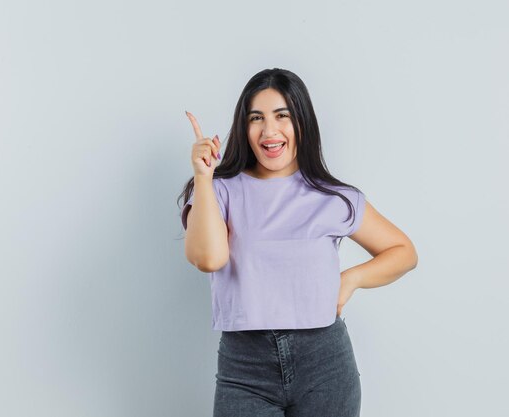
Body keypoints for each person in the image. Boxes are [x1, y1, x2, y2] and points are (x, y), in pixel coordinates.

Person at [178, 68, 418, 416]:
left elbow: (403, 252)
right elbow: (208, 259)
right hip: (245, 368)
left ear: (302, 123)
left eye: (282, 116)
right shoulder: (219, 190)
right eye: (256, 117)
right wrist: (203, 176)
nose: (269, 130)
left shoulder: (334, 197)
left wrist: (350, 280)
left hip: (325, 363)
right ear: (244, 128)